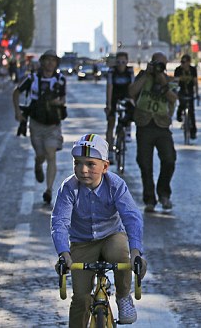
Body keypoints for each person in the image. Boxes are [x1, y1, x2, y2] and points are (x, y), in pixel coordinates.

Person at [51, 133, 147, 327]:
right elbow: (59, 221)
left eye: (90, 164)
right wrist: (64, 253)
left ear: (105, 166)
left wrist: (135, 252)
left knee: (120, 252)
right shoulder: (68, 188)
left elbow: (132, 217)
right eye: (77, 163)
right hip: (82, 242)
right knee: (81, 298)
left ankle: (123, 296)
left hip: (111, 235)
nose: (83, 170)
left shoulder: (116, 185)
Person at [13, 50, 67, 204]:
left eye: (53, 60)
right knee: (41, 154)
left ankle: (49, 189)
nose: (50, 63)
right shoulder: (32, 78)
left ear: (56, 63)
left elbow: (63, 98)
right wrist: (18, 111)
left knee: (51, 154)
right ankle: (38, 163)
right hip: (36, 123)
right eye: (47, 60)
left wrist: (59, 102)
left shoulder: (60, 79)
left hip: (53, 124)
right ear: (42, 62)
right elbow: (16, 92)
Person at [128, 52, 177, 212]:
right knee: (144, 163)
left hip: (162, 125)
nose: (159, 67)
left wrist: (163, 83)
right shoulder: (143, 76)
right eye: (157, 63)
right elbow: (131, 92)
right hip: (144, 124)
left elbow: (173, 98)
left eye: (162, 64)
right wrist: (146, 74)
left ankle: (164, 193)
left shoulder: (169, 80)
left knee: (169, 159)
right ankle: (149, 199)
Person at [105, 52, 135, 160]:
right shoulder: (112, 71)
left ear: (127, 62)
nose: (121, 64)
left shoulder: (130, 71)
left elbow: (132, 87)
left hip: (126, 96)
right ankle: (110, 152)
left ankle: (127, 131)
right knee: (111, 123)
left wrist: (133, 100)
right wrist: (108, 105)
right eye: (118, 62)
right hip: (113, 97)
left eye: (123, 62)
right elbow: (109, 87)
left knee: (132, 110)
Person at [174, 54, 200, 139]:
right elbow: (175, 83)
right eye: (181, 62)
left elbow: (195, 82)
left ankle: (193, 131)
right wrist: (174, 92)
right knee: (181, 106)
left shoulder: (193, 70)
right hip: (181, 91)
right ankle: (179, 117)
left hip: (190, 92)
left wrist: (197, 93)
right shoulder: (178, 70)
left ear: (189, 62)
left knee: (191, 112)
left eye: (184, 62)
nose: (183, 64)